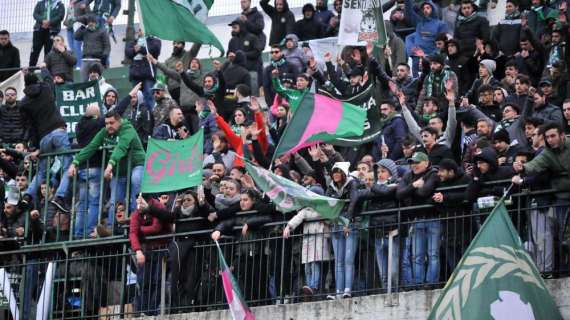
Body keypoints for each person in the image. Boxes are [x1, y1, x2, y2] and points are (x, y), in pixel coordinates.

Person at [68, 110, 146, 235]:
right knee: (115, 199)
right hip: (119, 171)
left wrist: (110, 165)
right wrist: (75, 162)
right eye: (106, 123)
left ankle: (135, 216)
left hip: (136, 165)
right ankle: (111, 227)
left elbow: (121, 147)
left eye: (112, 123)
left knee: (136, 179)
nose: (109, 126)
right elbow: (91, 147)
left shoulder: (127, 129)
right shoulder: (105, 132)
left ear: (119, 121)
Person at [513, 123, 570, 272]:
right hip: (562, 197)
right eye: (547, 137)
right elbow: (535, 165)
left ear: (562, 135)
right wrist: (523, 168)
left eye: (553, 136)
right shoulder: (547, 153)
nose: (550, 140)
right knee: (564, 237)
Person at [20, 71, 72, 214]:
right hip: (58, 132)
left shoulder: (24, 103)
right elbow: (49, 78)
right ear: (37, 80)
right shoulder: (46, 88)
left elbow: (31, 128)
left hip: (43, 138)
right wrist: (43, 69)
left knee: (41, 172)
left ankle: (27, 195)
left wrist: (36, 148)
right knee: (68, 166)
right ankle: (60, 196)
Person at [396, 152, 440, 285]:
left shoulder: (433, 173)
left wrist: (410, 191)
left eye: (417, 162)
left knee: (433, 254)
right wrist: (414, 186)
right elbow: (399, 194)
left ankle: (431, 283)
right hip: (416, 219)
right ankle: (419, 283)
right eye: (412, 163)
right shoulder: (408, 175)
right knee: (417, 256)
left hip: (432, 218)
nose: (414, 165)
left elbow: (424, 192)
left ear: (426, 163)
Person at [129, 195, 171, 316]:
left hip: (161, 249)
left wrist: (140, 230)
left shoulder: (158, 206)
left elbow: (156, 228)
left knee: (157, 281)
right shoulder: (137, 212)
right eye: (137, 202)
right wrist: (137, 250)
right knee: (143, 282)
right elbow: (132, 233)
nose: (138, 205)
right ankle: (143, 310)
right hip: (146, 250)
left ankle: (151, 311)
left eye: (140, 202)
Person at [324, 162, 360, 300]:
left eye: (339, 171)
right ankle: (338, 291)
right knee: (338, 260)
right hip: (336, 225)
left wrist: (347, 221)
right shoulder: (331, 187)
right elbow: (327, 203)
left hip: (349, 224)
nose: (336, 174)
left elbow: (353, 202)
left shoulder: (352, 183)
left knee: (348, 259)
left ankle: (347, 290)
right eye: (334, 171)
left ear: (344, 173)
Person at [73, 104, 104, 239]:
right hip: (95, 166)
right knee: (94, 202)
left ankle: (78, 233)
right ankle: (90, 231)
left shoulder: (79, 126)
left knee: (82, 203)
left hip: (82, 168)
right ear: (95, 115)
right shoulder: (96, 124)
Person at [404, 0, 448, 76]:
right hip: (417, 58)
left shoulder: (441, 24)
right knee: (417, 82)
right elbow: (409, 13)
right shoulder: (419, 22)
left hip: (432, 59)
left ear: (433, 9)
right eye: (424, 8)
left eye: (428, 8)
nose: (425, 10)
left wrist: (431, 57)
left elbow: (442, 43)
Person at [126, 31, 161, 110]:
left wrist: (140, 48)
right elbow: (128, 52)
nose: (139, 32)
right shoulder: (134, 41)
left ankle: (150, 115)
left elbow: (155, 49)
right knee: (135, 97)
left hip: (148, 75)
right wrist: (136, 50)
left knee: (149, 96)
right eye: (138, 30)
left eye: (141, 30)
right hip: (135, 75)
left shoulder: (154, 40)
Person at [29, 0, 65, 67]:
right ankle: (31, 70)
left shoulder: (60, 4)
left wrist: (49, 22)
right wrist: (43, 21)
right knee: (35, 50)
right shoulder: (40, 3)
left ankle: (47, 70)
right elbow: (35, 14)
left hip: (52, 30)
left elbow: (60, 16)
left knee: (48, 51)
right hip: (39, 29)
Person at [75, 15, 111, 82]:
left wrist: (105, 56)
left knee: (98, 81)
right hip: (85, 60)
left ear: (96, 23)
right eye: (89, 22)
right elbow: (76, 37)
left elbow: (107, 46)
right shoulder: (85, 31)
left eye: (93, 22)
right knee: (84, 81)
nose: (91, 24)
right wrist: (82, 27)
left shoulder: (102, 31)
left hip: (97, 60)